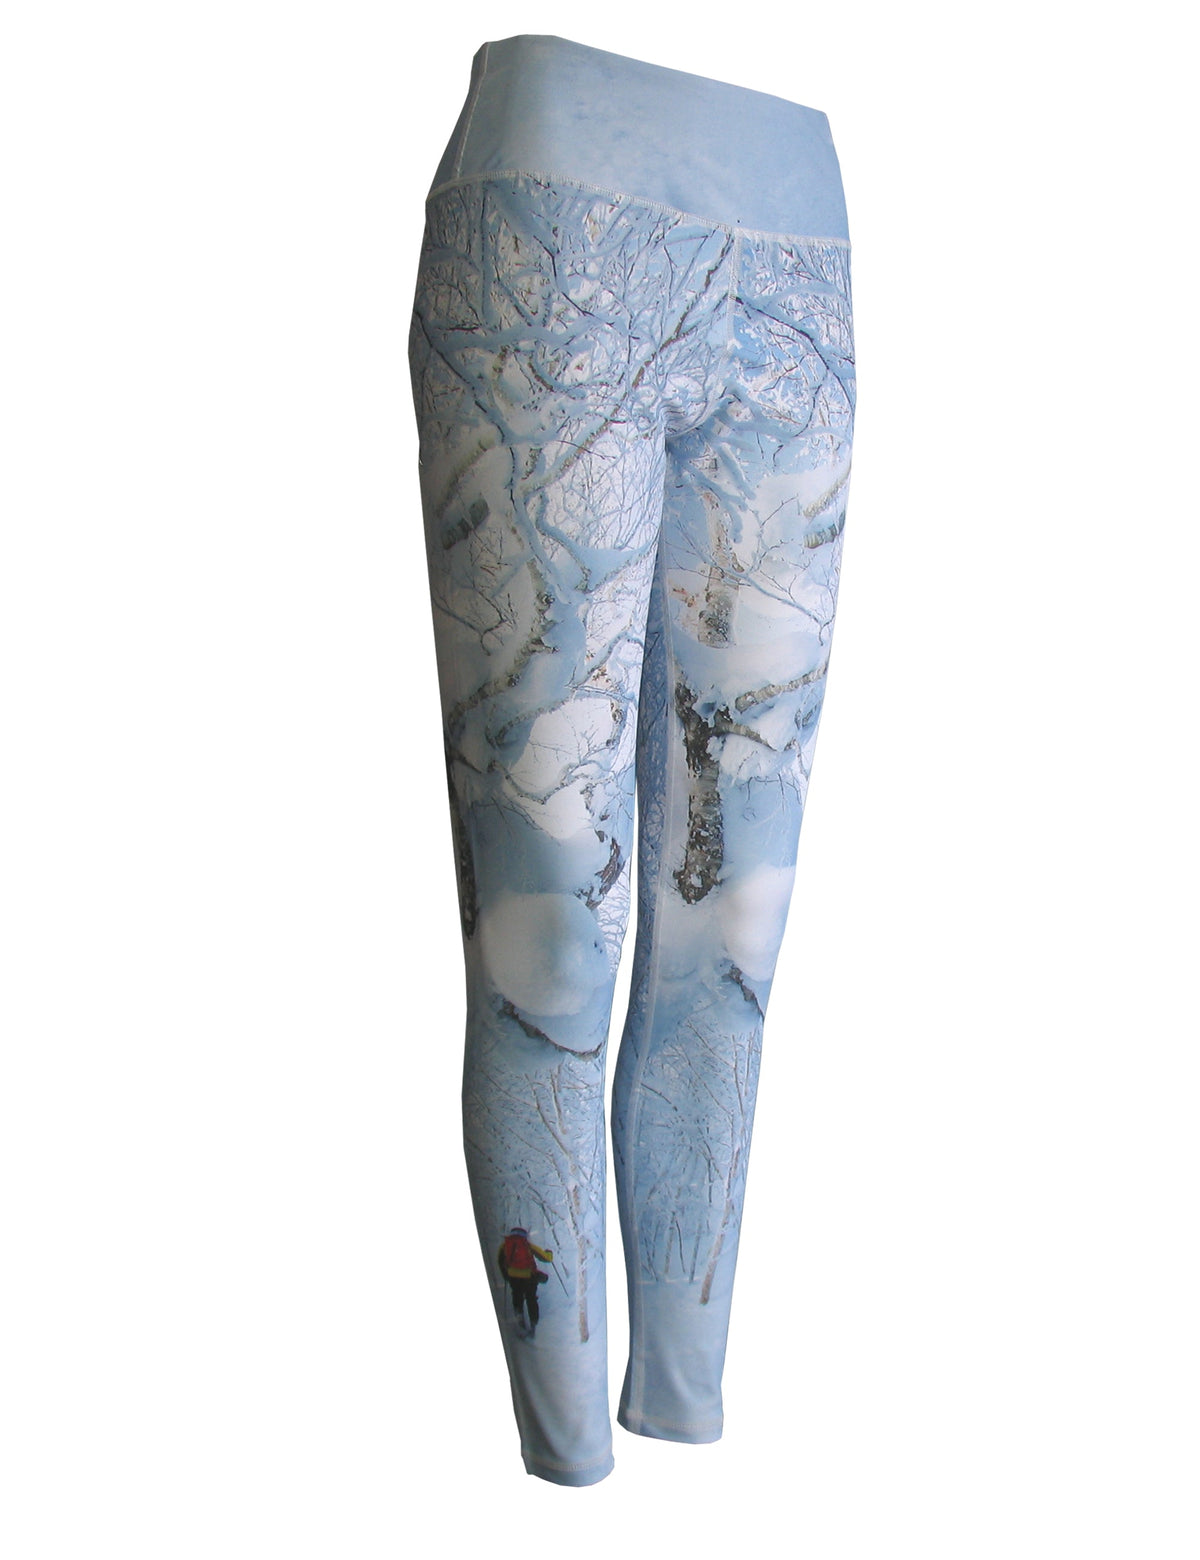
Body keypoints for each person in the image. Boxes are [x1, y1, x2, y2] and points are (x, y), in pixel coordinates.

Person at [497, 1227, 552, 1339]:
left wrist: (506, 1275)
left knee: (517, 1297)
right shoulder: (527, 1245)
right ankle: (533, 1324)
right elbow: (546, 1258)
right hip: (528, 1277)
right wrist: (549, 1253)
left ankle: (520, 1320)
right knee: (531, 1299)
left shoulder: (505, 1246)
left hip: (513, 1276)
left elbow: (500, 1260)